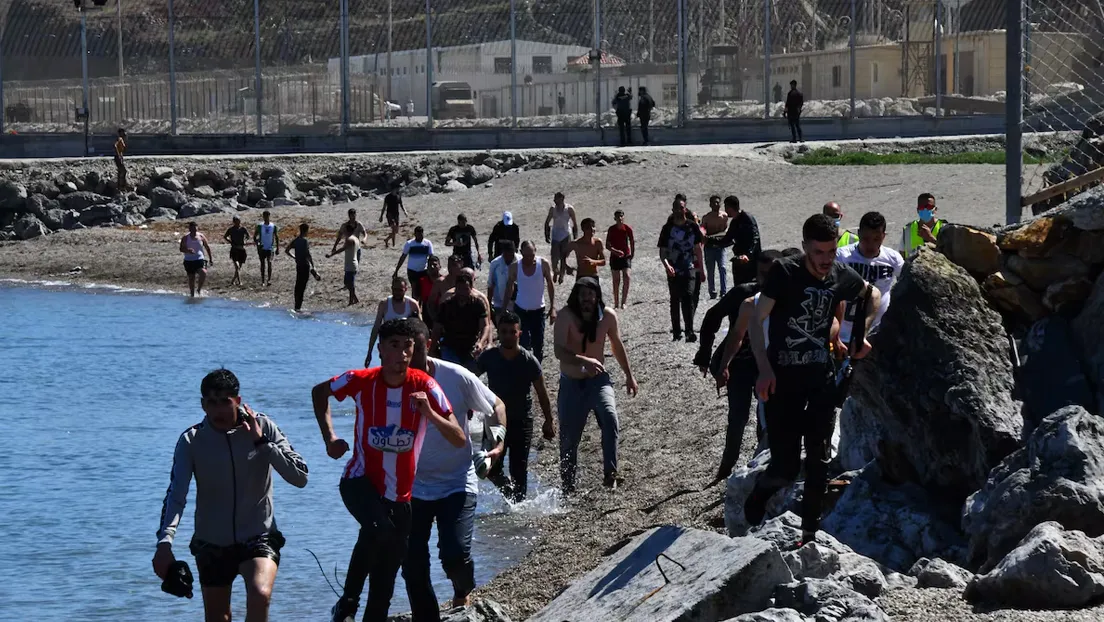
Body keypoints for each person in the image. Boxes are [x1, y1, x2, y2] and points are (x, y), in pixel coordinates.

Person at [313, 319, 464, 622]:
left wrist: (429, 413)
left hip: (401, 497)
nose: (401, 353)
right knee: (378, 530)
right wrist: (329, 437)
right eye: (393, 345)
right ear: (380, 349)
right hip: (359, 481)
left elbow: (459, 438)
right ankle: (348, 603)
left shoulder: (425, 386)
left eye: (407, 346)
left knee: (386, 578)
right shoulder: (360, 380)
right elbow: (319, 393)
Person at [745, 214, 880, 544]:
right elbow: (755, 320)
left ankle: (809, 533)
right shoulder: (785, 273)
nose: (825, 260)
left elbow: (871, 295)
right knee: (787, 468)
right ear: (805, 247)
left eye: (831, 252)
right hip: (782, 382)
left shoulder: (838, 273)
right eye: (818, 252)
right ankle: (760, 493)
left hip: (820, 379)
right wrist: (763, 369)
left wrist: (860, 333)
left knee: (819, 460)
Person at [154, 368, 308, 622]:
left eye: (225, 401)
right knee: (218, 617)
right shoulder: (191, 440)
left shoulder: (264, 427)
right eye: (211, 403)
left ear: (238, 400)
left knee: (260, 594)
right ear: (203, 404)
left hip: (259, 535)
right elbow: (176, 495)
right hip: (212, 541)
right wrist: (164, 542)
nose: (218, 410)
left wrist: (263, 444)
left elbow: (300, 477)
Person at [403, 321, 507, 618]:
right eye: (404, 351)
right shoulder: (394, 381)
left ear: (429, 343)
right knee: (410, 562)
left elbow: (496, 405)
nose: (410, 359)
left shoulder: (456, 376)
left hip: (456, 481)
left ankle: (463, 590)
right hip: (413, 486)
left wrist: (496, 444)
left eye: (417, 350)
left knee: (454, 556)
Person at [697, 250, 793, 481]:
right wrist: (705, 354)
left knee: (767, 418)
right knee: (738, 418)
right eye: (762, 274)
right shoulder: (745, 295)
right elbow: (713, 316)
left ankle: (762, 465)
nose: (766, 280)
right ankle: (726, 469)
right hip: (739, 364)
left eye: (772, 274)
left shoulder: (787, 296)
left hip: (768, 366)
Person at [554, 277, 637, 491]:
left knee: (610, 417)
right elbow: (559, 351)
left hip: (599, 381)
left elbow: (616, 345)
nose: (587, 300)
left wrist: (629, 374)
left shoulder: (607, 316)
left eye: (591, 295)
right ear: (576, 296)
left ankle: (611, 473)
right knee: (569, 438)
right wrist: (583, 359)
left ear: (597, 296)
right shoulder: (565, 316)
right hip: (571, 383)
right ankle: (568, 485)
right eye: (583, 295)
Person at [477, 310, 555, 502]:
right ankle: (511, 497)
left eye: (512, 332)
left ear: (519, 333)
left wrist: (549, 420)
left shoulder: (529, 360)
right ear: (499, 333)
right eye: (504, 332)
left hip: (522, 420)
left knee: (518, 469)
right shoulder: (489, 357)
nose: (508, 336)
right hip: (495, 421)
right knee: (490, 468)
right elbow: (471, 381)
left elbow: (542, 393)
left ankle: (518, 507)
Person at [837, 212, 904, 345]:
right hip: (844, 334)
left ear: (883, 236)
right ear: (859, 233)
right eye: (866, 238)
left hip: (879, 333)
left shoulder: (893, 259)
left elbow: (907, 283)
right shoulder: (842, 257)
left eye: (876, 239)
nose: (871, 245)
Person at [659, 200, 706, 342]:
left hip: (689, 267)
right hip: (673, 269)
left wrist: (702, 270)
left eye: (682, 208)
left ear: (685, 209)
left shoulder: (692, 226)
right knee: (675, 299)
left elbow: (698, 248)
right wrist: (667, 266)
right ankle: (676, 332)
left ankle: (689, 331)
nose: (679, 210)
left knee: (688, 296)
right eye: (676, 208)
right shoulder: (667, 228)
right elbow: (662, 251)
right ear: (672, 209)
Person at [504, 240, 557, 362]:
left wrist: (552, 307)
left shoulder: (543, 264)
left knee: (538, 343)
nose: (529, 258)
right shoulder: (515, 267)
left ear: (535, 251)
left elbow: (550, 284)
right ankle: (523, 368)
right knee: (522, 342)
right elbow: (509, 287)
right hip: (521, 309)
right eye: (526, 255)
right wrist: (504, 307)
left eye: (531, 255)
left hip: (538, 310)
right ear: (521, 253)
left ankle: (537, 370)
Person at [431, 269, 491, 373]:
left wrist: (481, 343)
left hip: (471, 346)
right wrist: (432, 348)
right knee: (453, 373)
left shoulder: (478, 304)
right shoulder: (446, 305)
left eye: (465, 289)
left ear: (471, 288)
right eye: (459, 289)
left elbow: (485, 326)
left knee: (471, 375)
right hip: (450, 345)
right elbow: (437, 328)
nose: (462, 292)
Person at [366, 276, 422, 364]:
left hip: (405, 349)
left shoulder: (412, 304)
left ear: (406, 289)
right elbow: (376, 328)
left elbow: (421, 330)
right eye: (395, 290)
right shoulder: (384, 304)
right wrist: (369, 352)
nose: (397, 293)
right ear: (391, 289)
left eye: (400, 290)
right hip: (388, 349)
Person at [717, 195, 761, 286]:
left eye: (726, 207)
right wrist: (710, 241)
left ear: (730, 207)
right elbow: (727, 238)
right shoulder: (734, 222)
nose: (725, 210)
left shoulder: (747, 218)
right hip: (739, 259)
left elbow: (755, 238)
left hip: (750, 261)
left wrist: (748, 254)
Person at [544, 192, 578, 284]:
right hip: (555, 236)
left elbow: (574, 223)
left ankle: (562, 275)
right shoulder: (552, 209)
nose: (554, 200)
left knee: (563, 257)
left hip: (566, 235)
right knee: (554, 258)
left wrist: (575, 237)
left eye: (556, 198)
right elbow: (547, 222)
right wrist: (546, 235)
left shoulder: (569, 209)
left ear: (562, 198)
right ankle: (556, 271)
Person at [393, 226, 435, 302]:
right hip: (412, 271)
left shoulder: (427, 243)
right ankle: (415, 306)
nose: (420, 236)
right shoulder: (409, 244)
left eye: (421, 234)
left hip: (423, 270)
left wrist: (433, 270)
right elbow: (403, 257)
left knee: (423, 289)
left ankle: (421, 306)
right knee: (415, 289)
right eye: (418, 234)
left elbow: (432, 257)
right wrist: (396, 270)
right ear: (415, 234)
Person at [285, 223, 319, 312]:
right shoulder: (304, 241)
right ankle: (298, 307)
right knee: (302, 287)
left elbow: (287, 250)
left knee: (298, 286)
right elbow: (308, 254)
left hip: (298, 266)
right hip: (305, 265)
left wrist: (294, 257)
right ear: (306, 231)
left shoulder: (295, 240)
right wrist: (313, 266)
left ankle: (296, 306)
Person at [701, 195, 731, 299]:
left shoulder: (724, 216)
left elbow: (726, 229)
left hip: (720, 246)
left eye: (718, 202)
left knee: (722, 268)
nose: (716, 205)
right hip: (709, 247)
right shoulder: (706, 218)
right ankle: (712, 291)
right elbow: (703, 230)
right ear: (710, 204)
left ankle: (723, 291)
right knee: (711, 270)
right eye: (714, 203)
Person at [605, 210, 635, 309]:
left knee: (627, 276)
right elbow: (607, 245)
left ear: (623, 217)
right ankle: (616, 302)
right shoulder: (611, 229)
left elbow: (632, 241)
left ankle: (624, 302)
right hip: (614, 256)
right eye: (618, 217)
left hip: (625, 256)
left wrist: (632, 253)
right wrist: (615, 251)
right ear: (615, 218)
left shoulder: (627, 229)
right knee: (616, 280)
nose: (620, 218)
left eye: (621, 216)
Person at [427, 255, 464, 329]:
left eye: (454, 265)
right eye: (449, 265)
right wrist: (435, 319)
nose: (450, 268)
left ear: (461, 265)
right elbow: (431, 302)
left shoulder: (465, 282)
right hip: (446, 317)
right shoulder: (440, 282)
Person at [180, 222, 213, 298]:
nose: (194, 231)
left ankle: (199, 290)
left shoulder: (201, 236)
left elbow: (207, 247)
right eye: (192, 229)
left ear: (197, 228)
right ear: (189, 229)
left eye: (195, 229)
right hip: (189, 260)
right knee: (191, 278)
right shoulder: (185, 237)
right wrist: (188, 250)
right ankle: (192, 295)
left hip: (199, 259)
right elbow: (181, 249)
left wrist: (211, 258)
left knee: (203, 272)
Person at [327, 234, 362, 306]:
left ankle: (351, 301)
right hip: (350, 264)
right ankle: (355, 299)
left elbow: (342, 249)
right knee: (347, 283)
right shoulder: (355, 238)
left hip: (351, 265)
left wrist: (331, 255)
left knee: (350, 284)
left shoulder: (350, 240)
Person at [568, 218, 606, 283]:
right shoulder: (576, 243)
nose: (592, 229)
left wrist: (593, 261)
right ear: (583, 229)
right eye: (588, 227)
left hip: (593, 276)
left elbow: (603, 262)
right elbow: (563, 255)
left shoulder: (598, 242)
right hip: (581, 276)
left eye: (593, 226)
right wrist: (567, 267)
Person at [487, 240, 518, 318]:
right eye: (506, 253)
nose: (509, 256)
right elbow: (490, 285)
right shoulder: (495, 263)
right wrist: (488, 305)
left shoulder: (521, 261)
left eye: (511, 252)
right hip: (499, 304)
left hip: (518, 305)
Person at [221, 216, 251, 287]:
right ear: (234, 222)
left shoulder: (243, 229)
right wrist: (230, 241)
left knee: (239, 267)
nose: (237, 222)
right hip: (234, 249)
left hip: (242, 249)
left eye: (238, 221)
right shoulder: (231, 229)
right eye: (236, 221)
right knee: (237, 267)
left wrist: (245, 241)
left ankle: (232, 281)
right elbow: (225, 236)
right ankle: (240, 282)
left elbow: (248, 236)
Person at [254, 211, 279, 287]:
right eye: (264, 216)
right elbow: (255, 236)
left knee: (269, 263)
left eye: (267, 216)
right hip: (262, 248)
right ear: (263, 217)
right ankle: (262, 280)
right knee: (262, 264)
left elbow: (276, 237)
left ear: (269, 216)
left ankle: (269, 280)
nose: (266, 218)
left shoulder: (273, 226)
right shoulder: (260, 226)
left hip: (270, 248)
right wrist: (258, 244)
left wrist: (277, 248)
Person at [114, 128, 128, 193]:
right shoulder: (119, 139)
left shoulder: (122, 139)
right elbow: (115, 146)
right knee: (124, 171)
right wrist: (119, 155)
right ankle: (122, 186)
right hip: (118, 157)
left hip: (119, 157)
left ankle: (119, 187)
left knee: (120, 171)